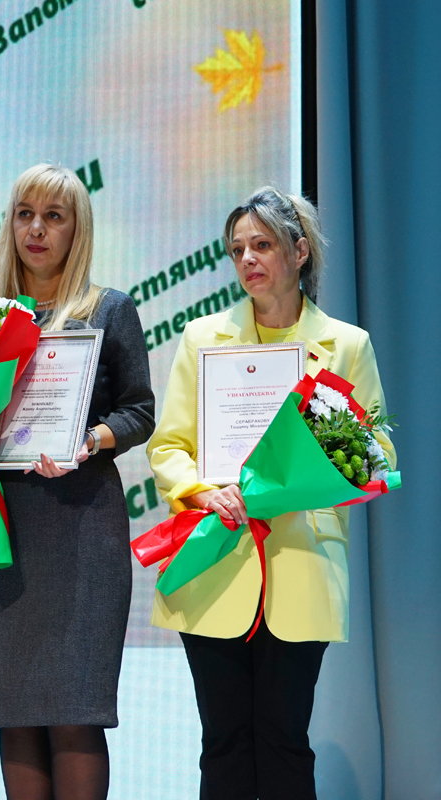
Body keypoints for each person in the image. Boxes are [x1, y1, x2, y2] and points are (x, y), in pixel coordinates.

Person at [146, 187, 395, 800]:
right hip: (215, 556)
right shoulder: (202, 337)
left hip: (302, 560)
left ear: (299, 251)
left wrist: (326, 466)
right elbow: (168, 447)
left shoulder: (348, 344)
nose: (248, 260)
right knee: (223, 742)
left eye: (261, 245)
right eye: (237, 250)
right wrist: (202, 492)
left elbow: (380, 453)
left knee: (285, 741)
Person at [0, 164, 155, 800]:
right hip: (2, 528)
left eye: (53, 216)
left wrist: (90, 440)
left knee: (75, 713)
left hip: (81, 528)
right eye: (25, 214)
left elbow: (139, 411)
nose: (36, 229)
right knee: (14, 713)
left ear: (76, 229)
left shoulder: (109, 309)